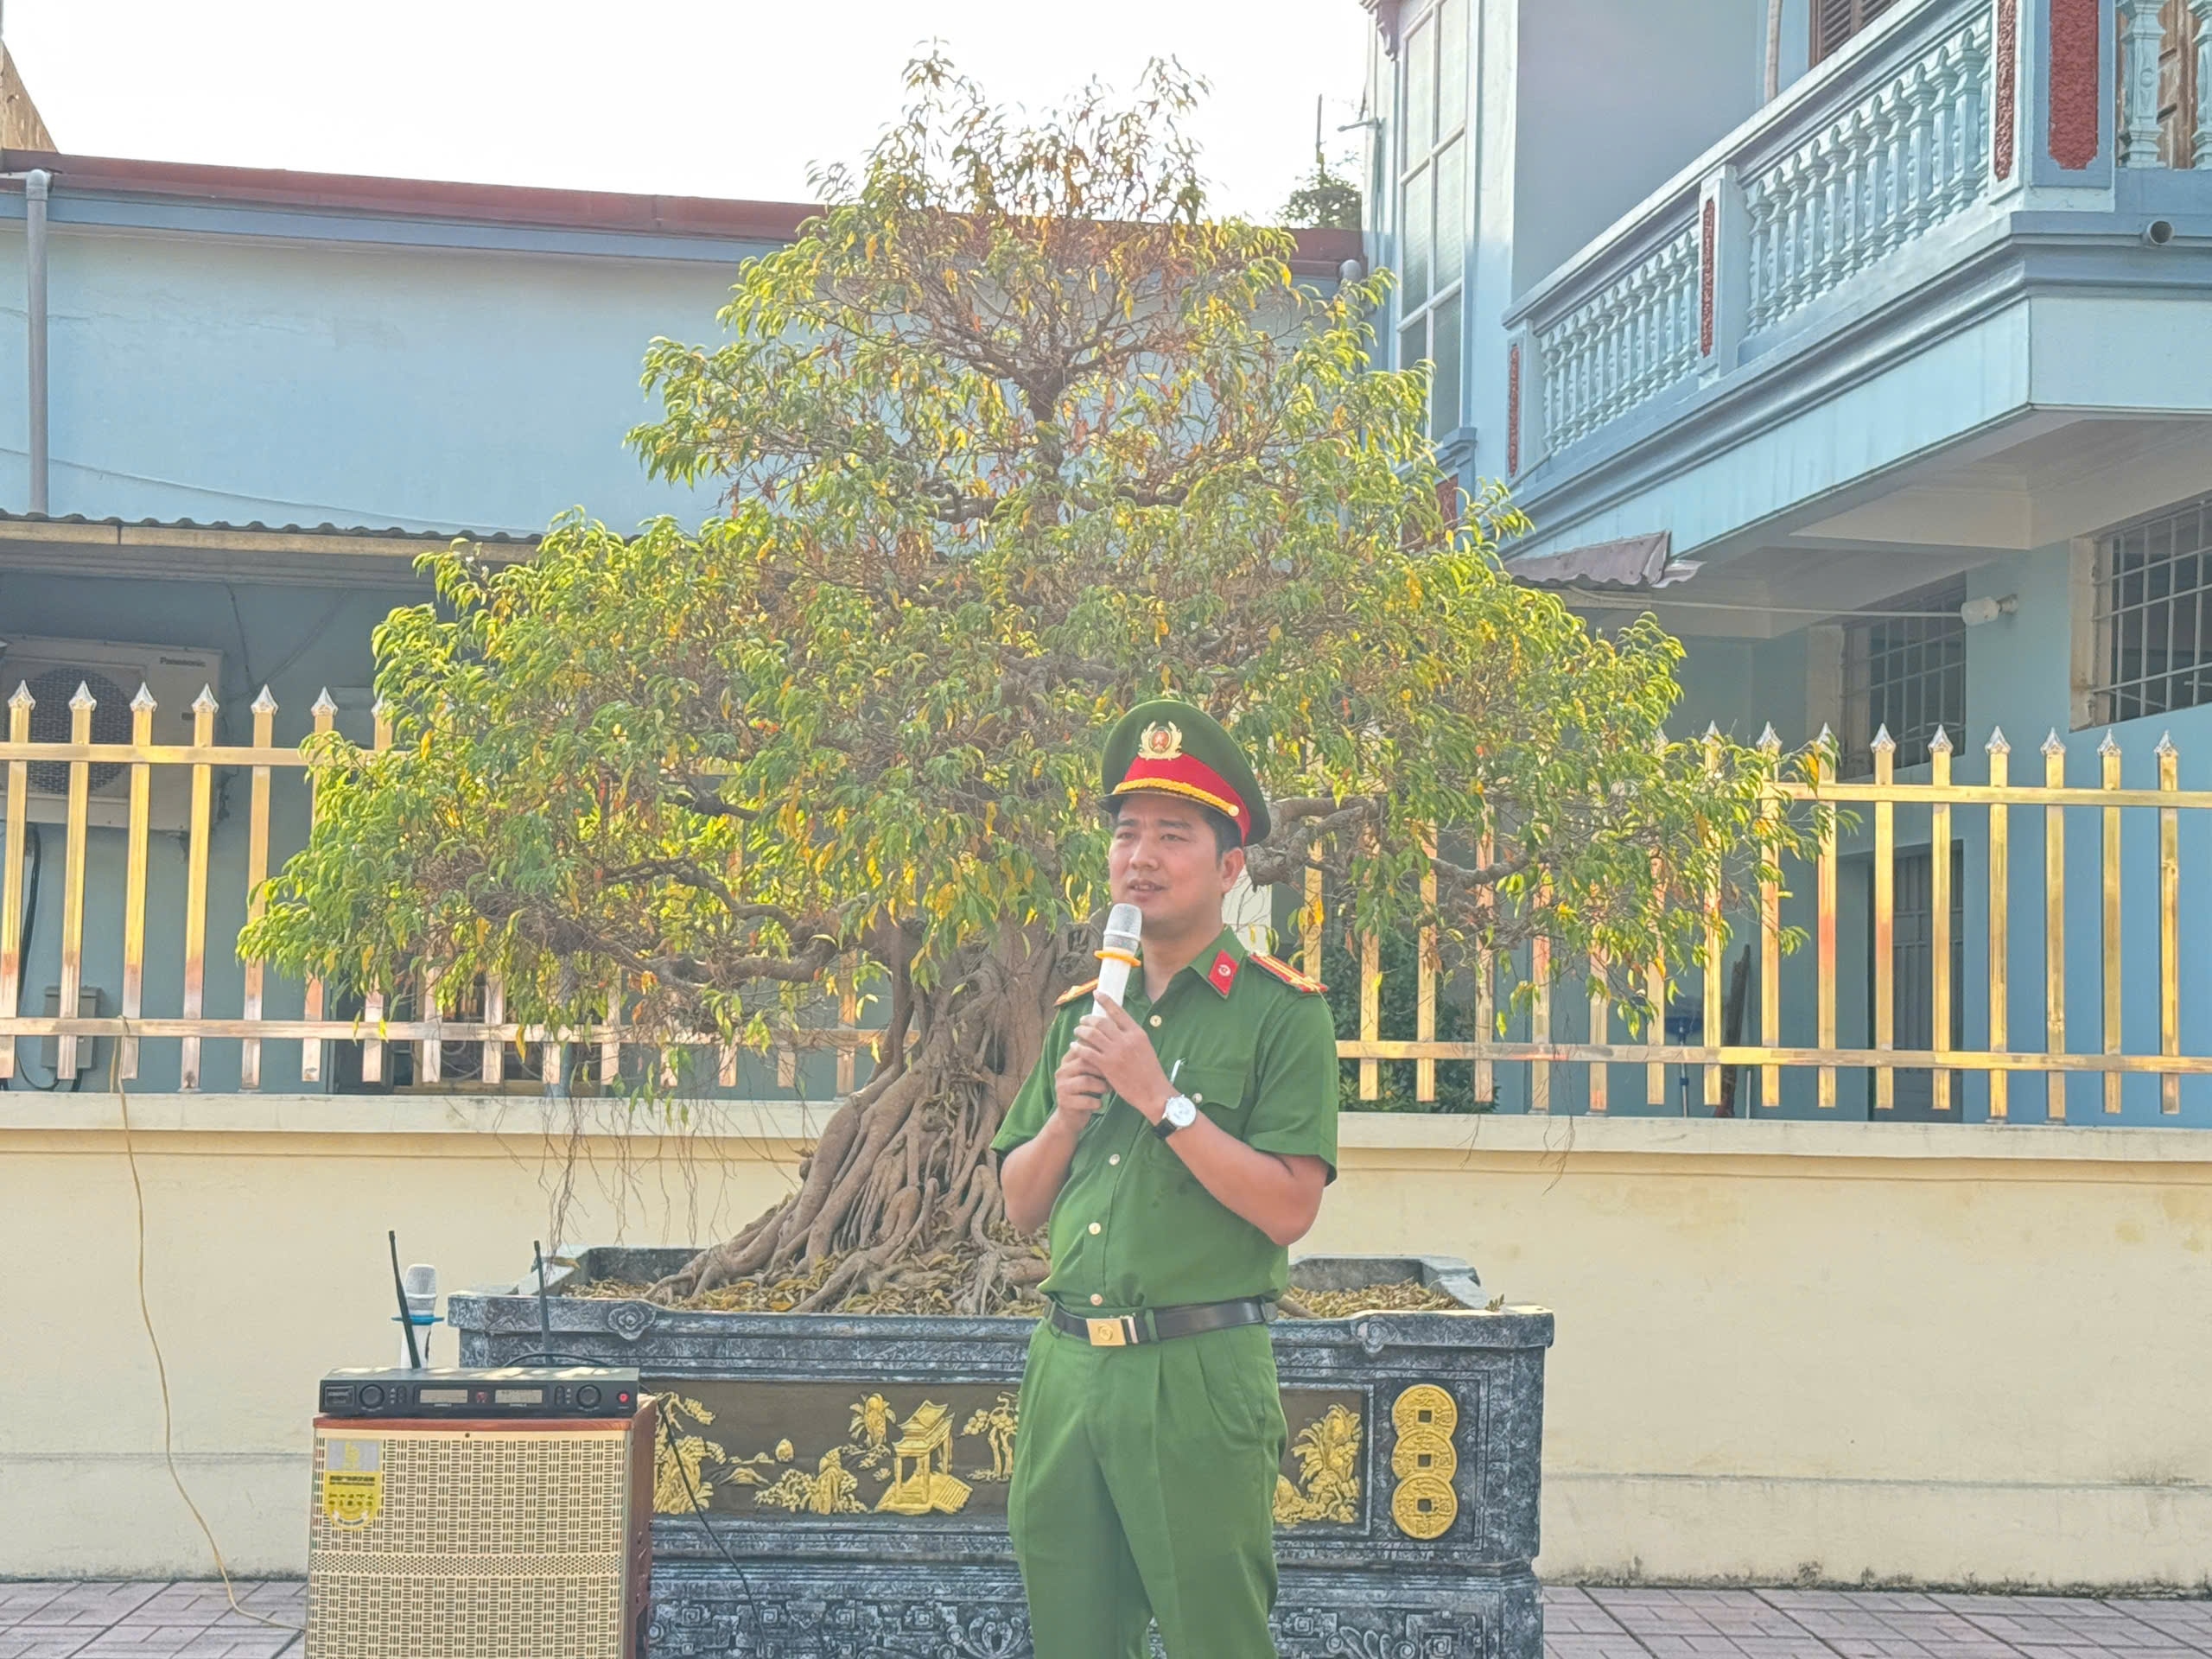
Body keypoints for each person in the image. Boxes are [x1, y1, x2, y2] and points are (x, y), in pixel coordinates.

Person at [990, 697, 1338, 1659]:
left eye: (1172, 836)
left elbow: (1290, 1207)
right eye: (1126, 833)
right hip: (1068, 1369)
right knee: (1072, 1638)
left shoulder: (1282, 1014)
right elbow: (1019, 1206)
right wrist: (1065, 1119)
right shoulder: (1081, 1012)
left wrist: (1161, 1100)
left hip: (1195, 1373)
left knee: (1212, 1637)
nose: (1139, 856)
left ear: (1230, 868)